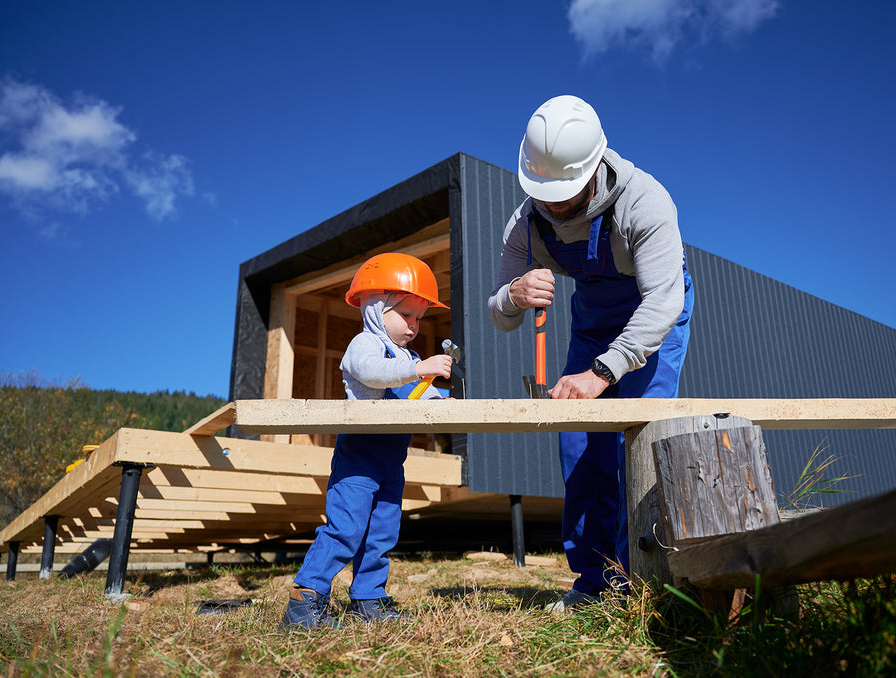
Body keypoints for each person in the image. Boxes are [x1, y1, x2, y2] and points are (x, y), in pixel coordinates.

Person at [488, 95, 693, 612]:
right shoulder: (527, 224)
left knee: (641, 440)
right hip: (593, 320)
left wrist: (603, 371)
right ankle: (594, 582)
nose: (553, 206)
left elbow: (663, 300)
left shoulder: (645, 201)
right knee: (580, 443)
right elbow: (499, 314)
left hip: (653, 321)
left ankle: (644, 578)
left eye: (565, 193)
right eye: (544, 193)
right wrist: (513, 294)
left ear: (595, 167)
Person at [280, 252, 453, 630]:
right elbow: (372, 374)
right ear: (377, 308)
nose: (413, 325)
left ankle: (368, 599)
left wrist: (446, 401)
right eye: (405, 314)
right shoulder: (366, 344)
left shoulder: (407, 357)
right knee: (345, 528)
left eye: (419, 318)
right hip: (359, 457)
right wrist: (420, 368)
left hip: (391, 461)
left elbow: (421, 397)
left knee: (382, 532)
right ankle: (304, 603)